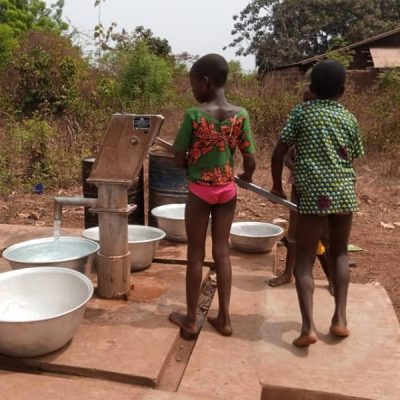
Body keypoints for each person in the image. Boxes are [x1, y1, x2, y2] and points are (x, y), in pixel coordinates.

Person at [270, 60, 364, 347]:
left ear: (311, 88)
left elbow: (278, 152)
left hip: (311, 193)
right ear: (343, 91)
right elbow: (353, 155)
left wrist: (276, 185)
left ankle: (308, 328)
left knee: (305, 261)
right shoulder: (349, 118)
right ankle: (340, 320)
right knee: (339, 255)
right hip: (344, 192)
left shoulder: (301, 112)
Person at [169, 54, 256, 339]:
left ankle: (191, 321)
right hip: (227, 192)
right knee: (222, 253)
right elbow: (251, 160)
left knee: (196, 254)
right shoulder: (240, 115)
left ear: (205, 82)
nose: (192, 89)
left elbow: (178, 158)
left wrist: (189, 163)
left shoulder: (194, 116)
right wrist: (246, 177)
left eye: (193, 83)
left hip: (199, 192)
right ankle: (226, 319)